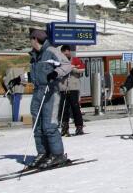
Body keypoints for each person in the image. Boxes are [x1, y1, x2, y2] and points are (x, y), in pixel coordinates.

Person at [8, 29, 72, 169]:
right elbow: (35, 74)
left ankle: (57, 154)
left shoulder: (52, 51)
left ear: (35, 39)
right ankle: (43, 153)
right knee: (37, 124)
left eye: (31, 39)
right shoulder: (35, 55)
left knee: (49, 125)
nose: (30, 41)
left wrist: (55, 73)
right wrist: (19, 79)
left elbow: (67, 66)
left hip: (51, 92)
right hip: (38, 92)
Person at [58, 45, 86, 136]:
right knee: (63, 109)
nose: (65, 55)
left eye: (66, 53)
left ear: (69, 52)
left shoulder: (75, 60)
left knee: (75, 108)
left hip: (73, 87)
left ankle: (79, 127)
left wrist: (72, 68)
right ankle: (64, 128)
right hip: (63, 88)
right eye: (63, 53)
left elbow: (82, 69)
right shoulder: (60, 61)